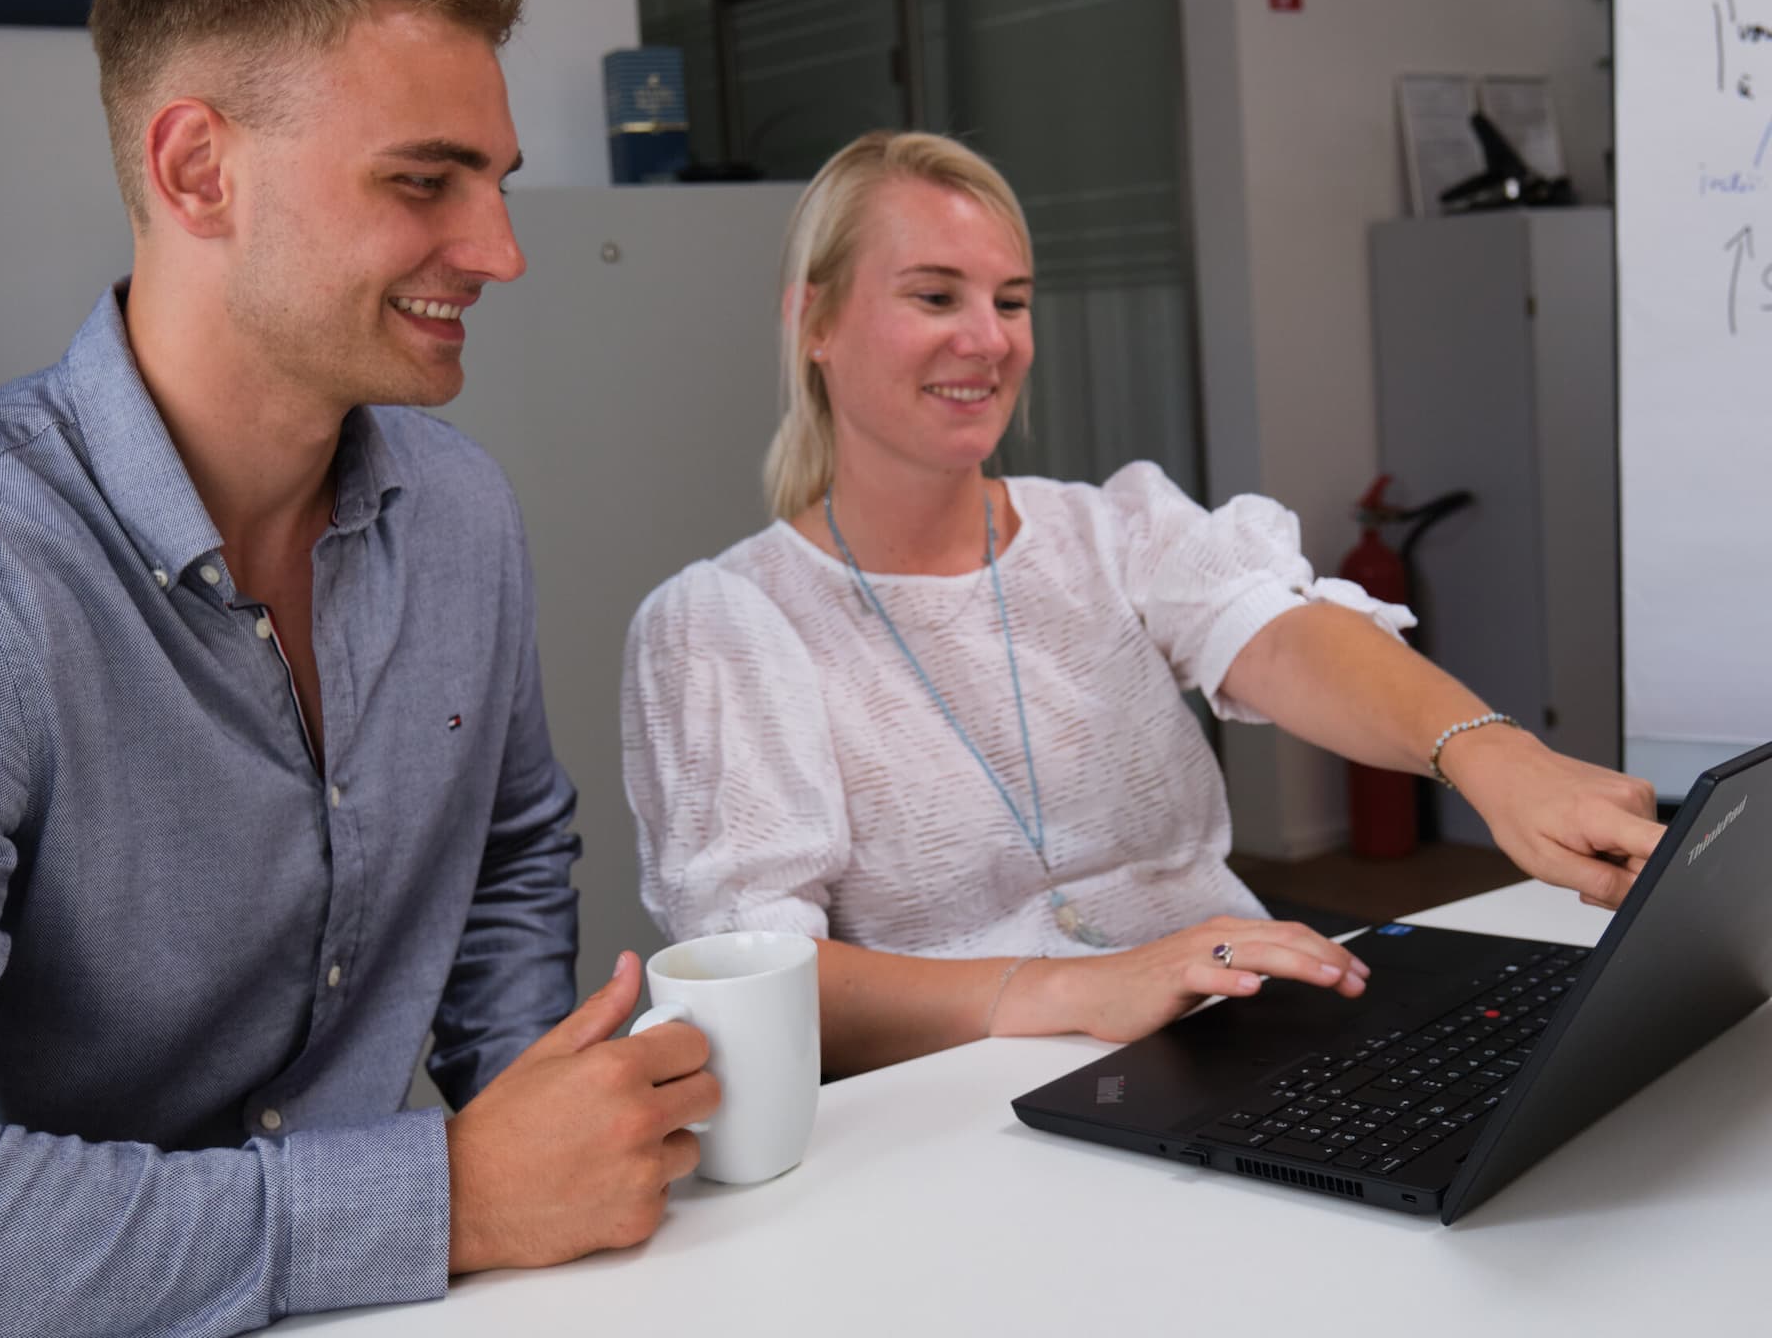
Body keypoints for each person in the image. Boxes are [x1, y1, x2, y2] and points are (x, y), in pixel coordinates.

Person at [0, 0, 714, 1336]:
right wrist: (451, 1194)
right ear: (198, 173)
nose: (502, 251)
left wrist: (535, 1106)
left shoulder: (460, 515)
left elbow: (508, 845)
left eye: (498, 183)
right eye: (425, 182)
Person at [620, 130, 1661, 1079]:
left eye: (1011, 300)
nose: (987, 340)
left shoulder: (1106, 530)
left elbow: (1281, 635)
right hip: (960, 1099)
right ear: (813, 319)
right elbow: (758, 983)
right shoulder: (725, 624)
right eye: (934, 297)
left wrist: (1492, 759)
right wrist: (1077, 988)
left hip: (1234, 1030)